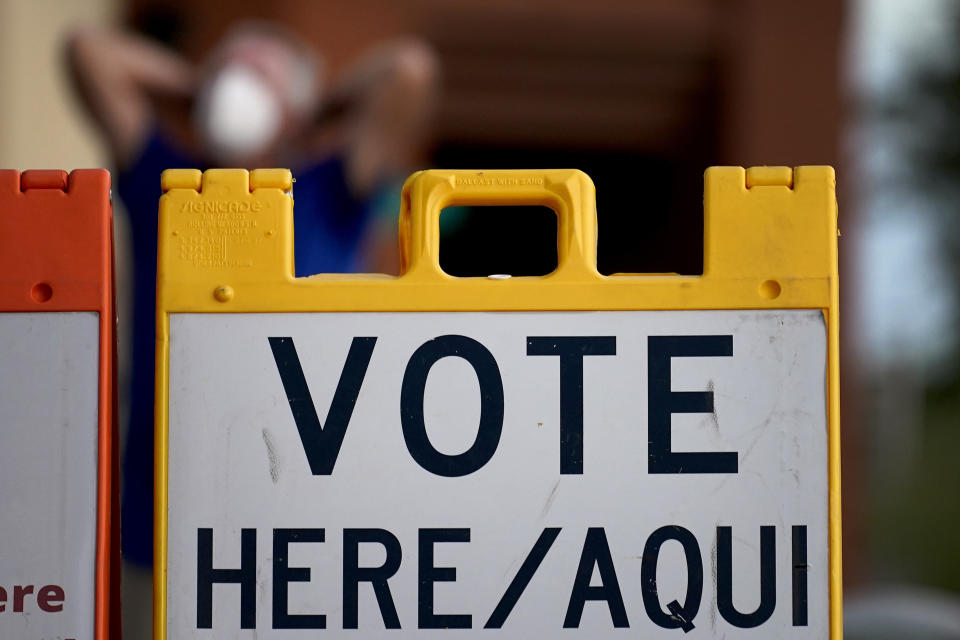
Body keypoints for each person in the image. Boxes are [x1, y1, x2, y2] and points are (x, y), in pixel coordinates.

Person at [66, 21, 438, 570]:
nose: (239, 83)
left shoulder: (333, 185)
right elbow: (88, 51)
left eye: (261, 71)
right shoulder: (166, 182)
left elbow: (409, 69)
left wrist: (314, 109)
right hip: (162, 512)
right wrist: (200, 87)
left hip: (310, 511)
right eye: (230, 69)